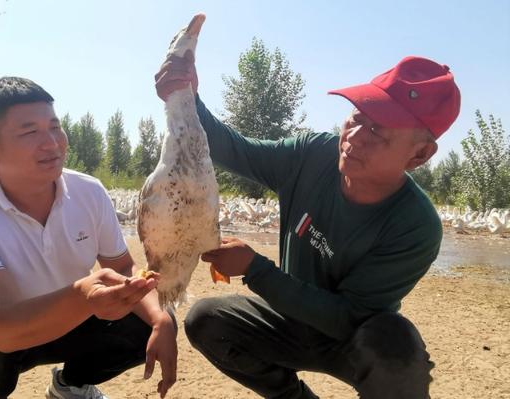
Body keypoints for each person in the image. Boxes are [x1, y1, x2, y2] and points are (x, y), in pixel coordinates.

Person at [155, 53, 460, 398]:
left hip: (350, 338)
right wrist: (188, 99)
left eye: (379, 131)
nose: (355, 137)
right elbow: (237, 151)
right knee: (207, 321)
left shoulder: (415, 226)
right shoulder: (313, 155)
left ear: (420, 155)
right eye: (358, 116)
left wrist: (255, 269)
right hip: (287, 318)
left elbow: (348, 316)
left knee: (398, 350)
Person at [0, 77, 177, 399]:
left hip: (77, 322)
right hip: (10, 335)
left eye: (55, 126)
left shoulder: (89, 191)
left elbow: (122, 266)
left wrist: (161, 319)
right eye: (29, 132)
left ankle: (70, 386)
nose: (52, 143)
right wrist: (82, 296)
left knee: (153, 314)